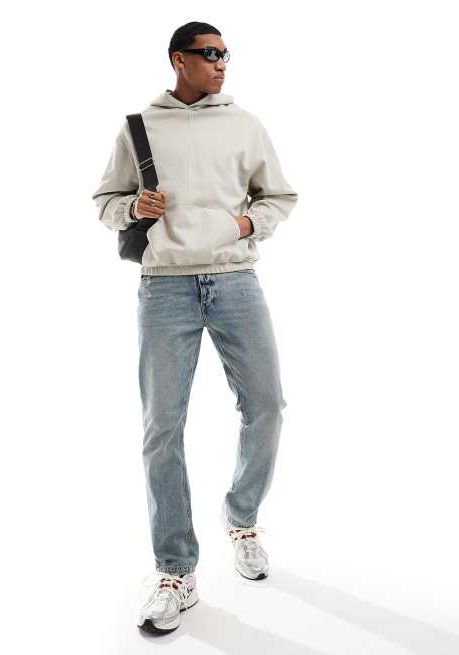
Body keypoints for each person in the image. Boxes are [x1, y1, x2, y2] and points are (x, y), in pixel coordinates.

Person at [91, 21, 298, 635]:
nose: (221, 62)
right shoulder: (139, 127)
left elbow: (278, 197)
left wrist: (242, 226)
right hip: (165, 287)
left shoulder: (245, 124)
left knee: (266, 406)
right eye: (210, 53)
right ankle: (175, 571)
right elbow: (105, 202)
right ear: (178, 59)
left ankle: (242, 519)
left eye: (226, 53)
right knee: (162, 427)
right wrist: (134, 207)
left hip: (235, 280)